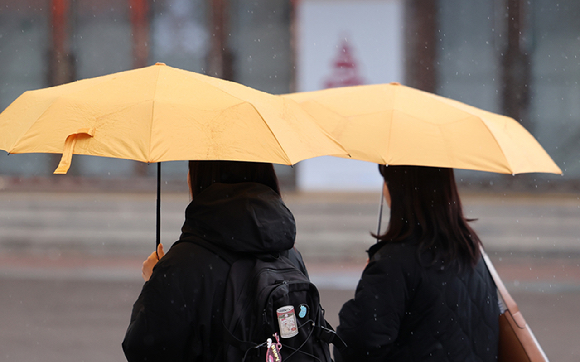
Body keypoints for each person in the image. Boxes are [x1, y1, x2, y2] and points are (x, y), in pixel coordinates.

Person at [122, 160, 309, 362]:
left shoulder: (182, 266)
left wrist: (154, 282)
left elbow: (145, 351)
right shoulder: (289, 254)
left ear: (200, 177)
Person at [334, 165, 499, 362]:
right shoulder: (471, 252)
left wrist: (366, 290)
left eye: (386, 180)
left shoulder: (394, 263)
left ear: (400, 188)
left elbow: (358, 348)